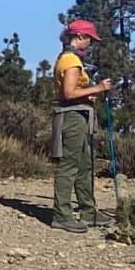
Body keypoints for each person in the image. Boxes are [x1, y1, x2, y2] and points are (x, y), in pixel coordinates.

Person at [51, 19, 115, 233]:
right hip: (72, 117)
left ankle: (88, 211)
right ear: (80, 37)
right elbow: (69, 93)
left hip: (79, 115)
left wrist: (89, 95)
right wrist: (97, 88)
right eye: (89, 39)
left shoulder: (68, 58)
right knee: (69, 165)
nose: (90, 44)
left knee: (85, 164)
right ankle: (62, 214)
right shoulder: (71, 61)